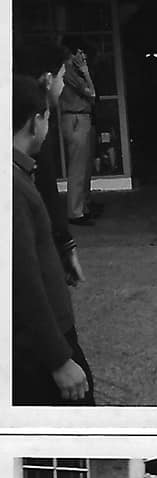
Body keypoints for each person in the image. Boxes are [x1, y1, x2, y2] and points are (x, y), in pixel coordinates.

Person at [13, 74, 95, 405]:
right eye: (47, 116)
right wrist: (59, 358)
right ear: (35, 122)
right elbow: (21, 280)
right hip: (39, 348)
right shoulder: (12, 188)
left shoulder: (21, 174)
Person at [13, 40, 86, 288]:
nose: (63, 84)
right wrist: (63, 245)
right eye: (61, 78)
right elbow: (46, 193)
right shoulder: (33, 139)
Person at [60, 35, 99, 226]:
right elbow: (91, 93)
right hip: (75, 116)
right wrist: (86, 71)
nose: (84, 56)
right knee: (78, 167)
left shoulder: (73, 71)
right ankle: (76, 211)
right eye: (81, 52)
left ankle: (83, 206)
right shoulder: (69, 70)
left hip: (82, 116)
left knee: (85, 166)